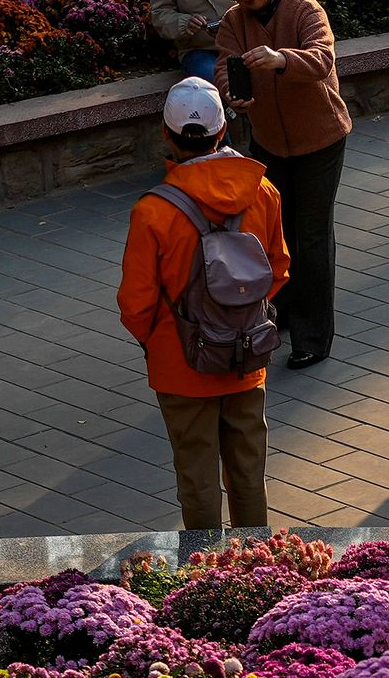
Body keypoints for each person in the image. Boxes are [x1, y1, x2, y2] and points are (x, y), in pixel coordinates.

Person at [118, 77, 288, 529]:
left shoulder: (153, 210)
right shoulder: (262, 192)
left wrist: (161, 341)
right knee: (249, 473)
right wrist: (237, 317)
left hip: (181, 363)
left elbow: (135, 301)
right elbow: (279, 268)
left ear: (165, 133)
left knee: (197, 477)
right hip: (246, 354)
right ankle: (258, 569)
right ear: (222, 131)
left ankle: (205, 576)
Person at [213, 0, 348, 373]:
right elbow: (223, 66)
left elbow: (322, 59)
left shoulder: (304, 8)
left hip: (320, 140)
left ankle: (313, 337)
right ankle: (285, 312)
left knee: (310, 237)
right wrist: (231, 94)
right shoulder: (235, 22)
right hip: (269, 143)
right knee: (276, 233)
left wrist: (279, 60)